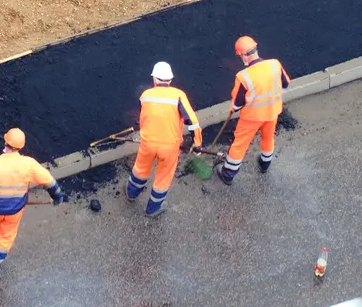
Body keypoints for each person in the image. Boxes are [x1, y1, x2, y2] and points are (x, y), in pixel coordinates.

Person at [0, 128, 66, 276]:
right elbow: (49, 181)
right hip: (14, 212)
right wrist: (57, 197)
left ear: (5, 142)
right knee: (5, 238)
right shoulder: (29, 164)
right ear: (21, 147)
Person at [125, 61, 202, 217]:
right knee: (163, 179)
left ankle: (131, 194)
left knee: (140, 169)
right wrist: (197, 143)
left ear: (154, 79)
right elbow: (193, 122)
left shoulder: (145, 96)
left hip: (148, 142)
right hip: (169, 146)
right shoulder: (179, 95)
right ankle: (152, 209)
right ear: (170, 80)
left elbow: (144, 117)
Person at [216, 36, 291, 185]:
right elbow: (285, 84)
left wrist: (234, 108)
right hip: (272, 111)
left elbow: (237, 103)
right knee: (268, 138)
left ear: (243, 55)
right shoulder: (274, 64)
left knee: (240, 144)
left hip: (252, 117)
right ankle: (265, 163)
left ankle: (228, 173)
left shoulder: (244, 76)